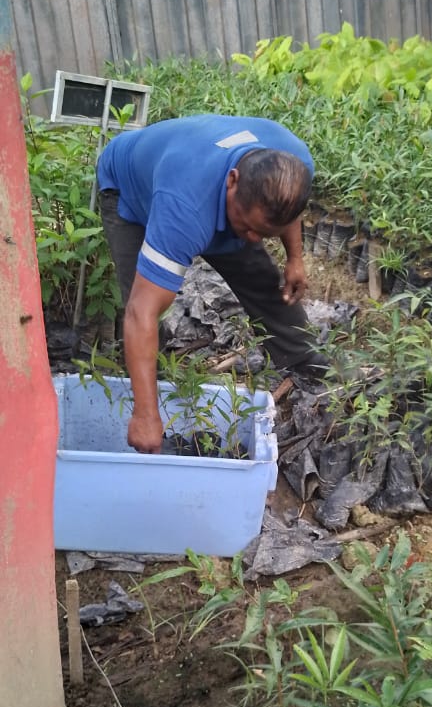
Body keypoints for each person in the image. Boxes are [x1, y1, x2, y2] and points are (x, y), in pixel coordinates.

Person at [97, 113, 326, 454]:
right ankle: (150, 393)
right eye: (247, 225)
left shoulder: (293, 161)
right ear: (232, 181)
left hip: (200, 184)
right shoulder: (184, 207)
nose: (253, 238)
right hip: (130, 188)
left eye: (264, 233)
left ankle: (308, 367)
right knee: (145, 303)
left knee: (263, 280)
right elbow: (141, 312)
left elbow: (286, 209)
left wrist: (295, 258)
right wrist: (146, 416)